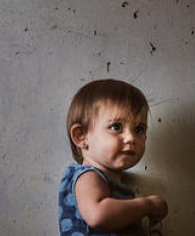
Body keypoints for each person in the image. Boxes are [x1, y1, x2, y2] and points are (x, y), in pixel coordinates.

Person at [59, 79, 168, 235]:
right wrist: (147, 205)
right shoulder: (88, 176)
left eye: (138, 129)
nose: (131, 138)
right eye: (116, 127)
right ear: (81, 136)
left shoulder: (109, 181)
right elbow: (98, 215)